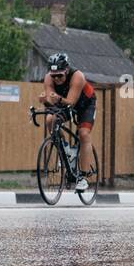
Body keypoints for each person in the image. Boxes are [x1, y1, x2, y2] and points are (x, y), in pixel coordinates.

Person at [40, 51, 96, 191]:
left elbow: (70, 102)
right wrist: (44, 100)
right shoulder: (48, 78)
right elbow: (50, 101)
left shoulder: (77, 76)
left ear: (66, 70)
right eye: (54, 76)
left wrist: (56, 98)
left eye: (60, 75)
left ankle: (83, 177)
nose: (57, 79)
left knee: (83, 134)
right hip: (64, 102)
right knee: (50, 120)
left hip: (84, 104)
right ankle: (65, 149)